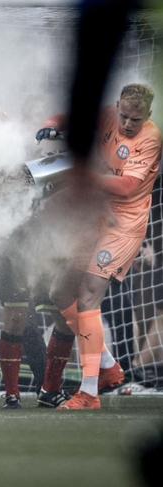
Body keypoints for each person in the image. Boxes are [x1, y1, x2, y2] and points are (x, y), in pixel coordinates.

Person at [42, 84, 161, 410]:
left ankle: (89, 392)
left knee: (90, 296)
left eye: (134, 120)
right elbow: (73, 117)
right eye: (123, 116)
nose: (126, 124)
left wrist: (81, 175)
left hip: (123, 225)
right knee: (59, 292)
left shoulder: (150, 140)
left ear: (147, 117)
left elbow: (126, 186)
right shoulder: (109, 115)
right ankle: (107, 365)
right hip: (95, 214)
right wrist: (52, 123)